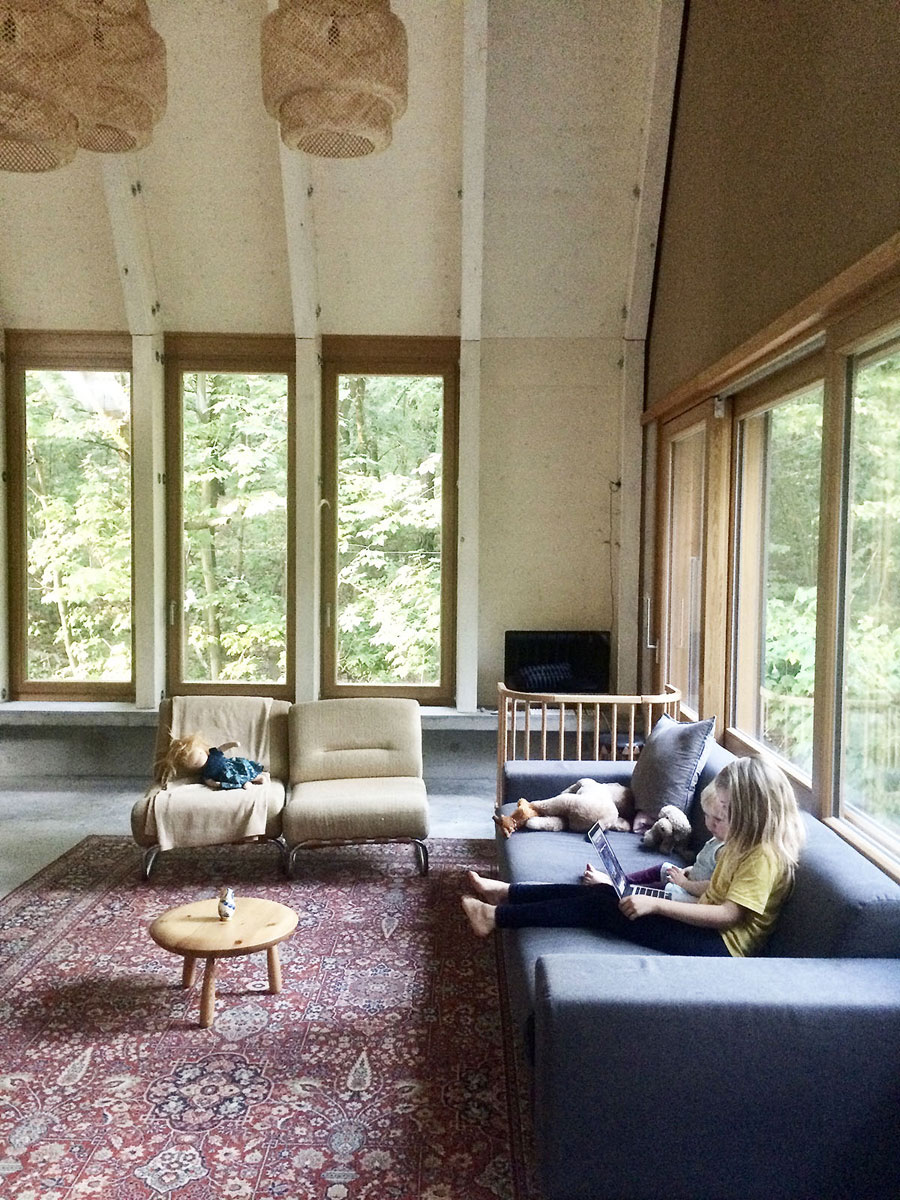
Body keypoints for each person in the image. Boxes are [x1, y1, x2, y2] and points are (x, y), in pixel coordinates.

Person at [463, 756, 805, 958]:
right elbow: (719, 890)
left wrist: (655, 904)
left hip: (718, 946)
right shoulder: (741, 842)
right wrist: (688, 882)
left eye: (721, 818)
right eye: (711, 818)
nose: (712, 826)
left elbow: (729, 915)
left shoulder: (763, 856)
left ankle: (496, 917)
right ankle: (507, 894)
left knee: (601, 906)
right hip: (702, 922)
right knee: (602, 892)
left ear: (754, 815)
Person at [611, 781, 727, 902]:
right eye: (707, 816)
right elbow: (706, 868)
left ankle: (624, 891)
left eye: (718, 819)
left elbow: (712, 888)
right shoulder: (717, 838)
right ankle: (621, 881)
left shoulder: (724, 850)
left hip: (694, 898)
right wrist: (690, 871)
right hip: (690, 882)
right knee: (665, 868)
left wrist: (684, 883)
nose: (710, 824)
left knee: (661, 890)